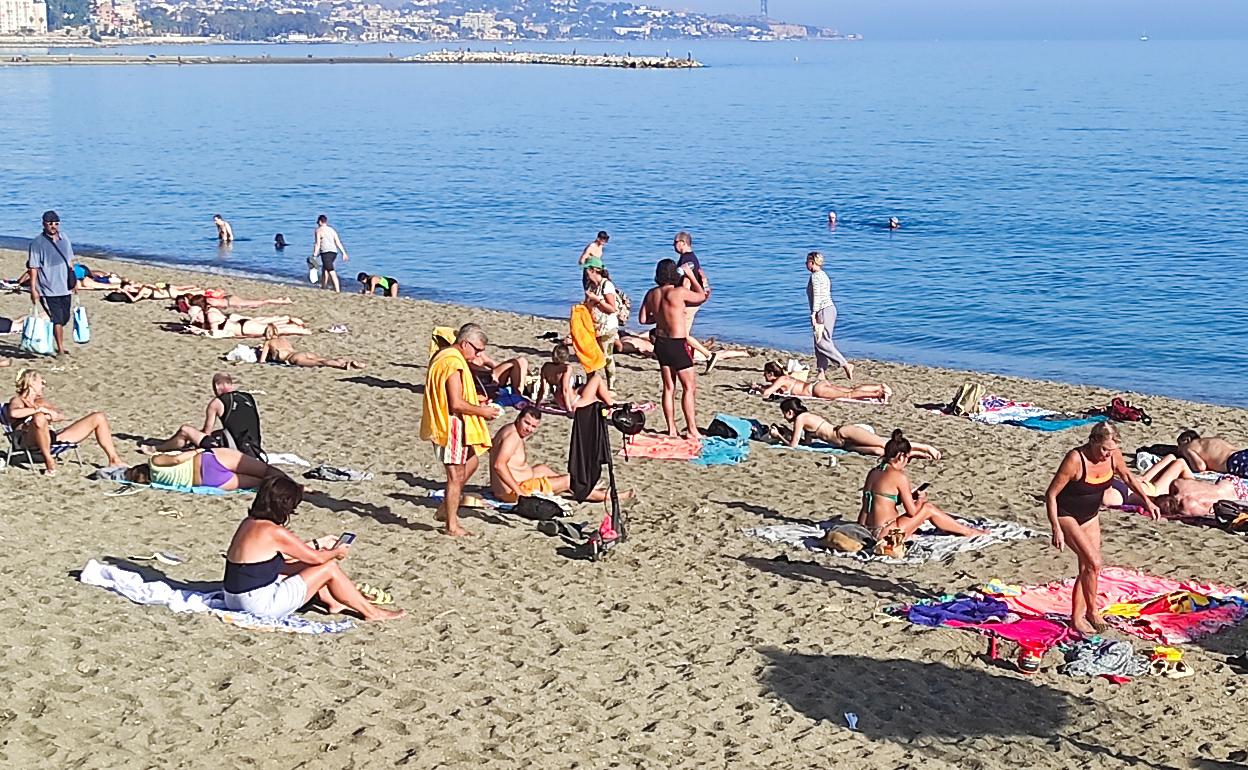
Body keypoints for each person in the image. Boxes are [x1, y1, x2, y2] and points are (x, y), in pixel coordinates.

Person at [220, 476, 403, 621]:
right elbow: (316, 559)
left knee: (307, 566)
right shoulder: (273, 531)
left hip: (233, 598)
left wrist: (319, 544)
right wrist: (336, 552)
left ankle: (333, 602)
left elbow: (286, 557)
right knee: (328, 567)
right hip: (258, 605)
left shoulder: (249, 523)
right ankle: (372, 612)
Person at [1046, 423, 1159, 634]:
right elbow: (1051, 494)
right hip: (1066, 515)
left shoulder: (1113, 456)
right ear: (1093, 441)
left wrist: (1148, 501)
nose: (1107, 454)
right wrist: (1055, 528)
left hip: (1090, 516)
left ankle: (1077, 616)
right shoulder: (1075, 459)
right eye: (1104, 449)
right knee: (1095, 562)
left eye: (1112, 450)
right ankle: (1092, 611)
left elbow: (1127, 477)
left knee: (1088, 568)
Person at [420, 323, 504, 537]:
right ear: (465, 343)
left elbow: (453, 394)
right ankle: (451, 525)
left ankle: (445, 509)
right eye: (477, 350)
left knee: (472, 461)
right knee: (455, 476)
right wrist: (481, 411)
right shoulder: (452, 362)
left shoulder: (447, 356)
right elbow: (455, 403)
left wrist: (476, 400)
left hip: (454, 421)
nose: (478, 355)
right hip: (451, 424)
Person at [859, 429, 986, 541]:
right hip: (884, 533)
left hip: (865, 530)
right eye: (908, 458)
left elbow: (875, 503)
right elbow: (912, 512)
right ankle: (968, 532)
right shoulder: (899, 476)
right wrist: (920, 499)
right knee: (928, 508)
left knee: (924, 509)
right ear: (901, 457)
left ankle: (955, 528)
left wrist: (908, 496)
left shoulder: (874, 472)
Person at [490, 406, 622, 504]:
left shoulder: (508, 429)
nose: (529, 429)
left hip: (512, 484)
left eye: (533, 426)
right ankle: (606, 496)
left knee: (542, 469)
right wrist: (520, 494)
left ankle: (582, 488)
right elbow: (499, 465)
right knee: (568, 480)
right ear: (518, 418)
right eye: (526, 423)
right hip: (513, 492)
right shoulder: (512, 437)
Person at [7, 368, 125, 475]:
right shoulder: (18, 400)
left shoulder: (41, 401)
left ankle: (114, 459)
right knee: (39, 417)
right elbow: (14, 413)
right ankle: (49, 460)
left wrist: (51, 415)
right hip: (27, 439)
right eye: (40, 381)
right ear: (31, 383)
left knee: (98, 417)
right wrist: (40, 411)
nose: (43, 384)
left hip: (50, 437)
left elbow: (61, 416)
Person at [639, 258, 709, 438]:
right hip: (677, 343)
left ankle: (671, 429)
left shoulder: (651, 293)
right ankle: (692, 429)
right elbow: (701, 296)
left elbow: (644, 319)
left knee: (669, 387)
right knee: (689, 387)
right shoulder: (678, 292)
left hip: (660, 343)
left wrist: (662, 316)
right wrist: (692, 276)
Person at [141, 372, 264, 459]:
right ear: (231, 385)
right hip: (255, 448)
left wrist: (194, 437)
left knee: (185, 430)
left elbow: (207, 432)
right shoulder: (248, 397)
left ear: (216, 387)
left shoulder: (216, 403)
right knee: (221, 432)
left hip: (237, 450)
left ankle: (158, 449)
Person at [777, 397, 941, 459]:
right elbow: (805, 443)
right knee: (879, 452)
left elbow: (793, 445)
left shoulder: (801, 418)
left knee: (884, 443)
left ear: (790, 411)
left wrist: (779, 436)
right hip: (843, 444)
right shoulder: (804, 420)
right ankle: (916, 454)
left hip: (843, 432)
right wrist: (787, 433)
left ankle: (925, 447)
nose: (785, 417)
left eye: (785, 414)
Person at [1103, 454, 1246, 518]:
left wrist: (1145, 478)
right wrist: (1145, 478)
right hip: (1231, 485)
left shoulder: (1188, 502)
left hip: (1231, 494)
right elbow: (1177, 461)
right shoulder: (1179, 485)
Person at [124, 446, 282, 491]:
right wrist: (197, 451)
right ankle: (301, 488)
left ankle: (296, 491)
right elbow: (177, 459)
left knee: (261, 483)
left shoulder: (158, 480)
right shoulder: (154, 461)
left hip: (207, 481)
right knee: (265, 471)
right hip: (206, 461)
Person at [27, 210, 75, 356]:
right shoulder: (37, 243)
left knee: (65, 317)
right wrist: (33, 289)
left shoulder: (64, 238)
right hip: (48, 288)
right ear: (44, 224)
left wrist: (74, 282)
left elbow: (70, 261)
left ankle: (53, 340)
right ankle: (60, 348)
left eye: (55, 223)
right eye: (50, 223)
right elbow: (33, 268)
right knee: (57, 319)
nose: (53, 226)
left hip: (65, 286)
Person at [805, 251, 854, 380]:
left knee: (821, 342)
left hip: (823, 310)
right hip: (829, 309)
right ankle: (821, 371)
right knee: (819, 341)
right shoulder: (823, 275)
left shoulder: (816, 276)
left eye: (807, 262)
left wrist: (813, 313)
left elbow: (817, 296)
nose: (805, 264)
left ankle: (845, 364)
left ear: (812, 262)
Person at [671, 231, 714, 363]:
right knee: (682, 332)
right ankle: (690, 355)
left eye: (675, 243)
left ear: (683, 243)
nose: (673, 246)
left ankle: (709, 355)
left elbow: (687, 281)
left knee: (682, 333)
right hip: (693, 298)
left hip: (690, 301)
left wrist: (681, 299)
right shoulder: (690, 258)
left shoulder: (687, 259)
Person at [758, 362, 889, 402]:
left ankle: (878, 394)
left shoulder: (782, 379)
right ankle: (878, 387)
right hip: (817, 385)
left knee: (848, 395)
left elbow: (767, 393)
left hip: (816, 390)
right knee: (850, 390)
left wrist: (759, 389)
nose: (764, 376)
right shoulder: (785, 378)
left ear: (771, 374)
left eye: (765, 374)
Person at [582, 258, 619, 388]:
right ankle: (591, 384)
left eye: (587, 270)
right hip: (595, 326)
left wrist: (597, 300)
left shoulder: (606, 285)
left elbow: (612, 308)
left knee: (607, 357)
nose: (586, 273)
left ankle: (611, 386)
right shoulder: (591, 286)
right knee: (592, 356)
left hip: (607, 327)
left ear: (593, 270)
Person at [260, 325, 365, 370]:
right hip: (302, 353)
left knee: (321, 363)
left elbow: (262, 361)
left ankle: (344, 365)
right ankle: (351, 362)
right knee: (324, 359)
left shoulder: (268, 343)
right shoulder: (283, 339)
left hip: (293, 358)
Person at [1177, 430, 1248, 476]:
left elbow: (1200, 467)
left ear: (1187, 440)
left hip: (1233, 462)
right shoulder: (1211, 440)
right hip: (1242, 454)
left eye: (1179, 444)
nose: (1178, 449)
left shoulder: (1187, 448)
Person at [313, 215, 348, 293]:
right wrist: (343, 253)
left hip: (326, 253)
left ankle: (337, 289)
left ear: (320, 222)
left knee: (331, 271)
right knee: (325, 269)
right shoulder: (332, 230)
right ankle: (323, 286)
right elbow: (338, 242)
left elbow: (317, 244)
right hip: (334, 253)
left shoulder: (318, 230)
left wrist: (314, 255)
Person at [175, 290, 293, 312]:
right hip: (229, 299)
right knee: (259, 302)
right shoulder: (207, 300)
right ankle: (281, 300)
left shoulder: (208, 302)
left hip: (233, 302)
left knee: (262, 302)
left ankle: (283, 301)